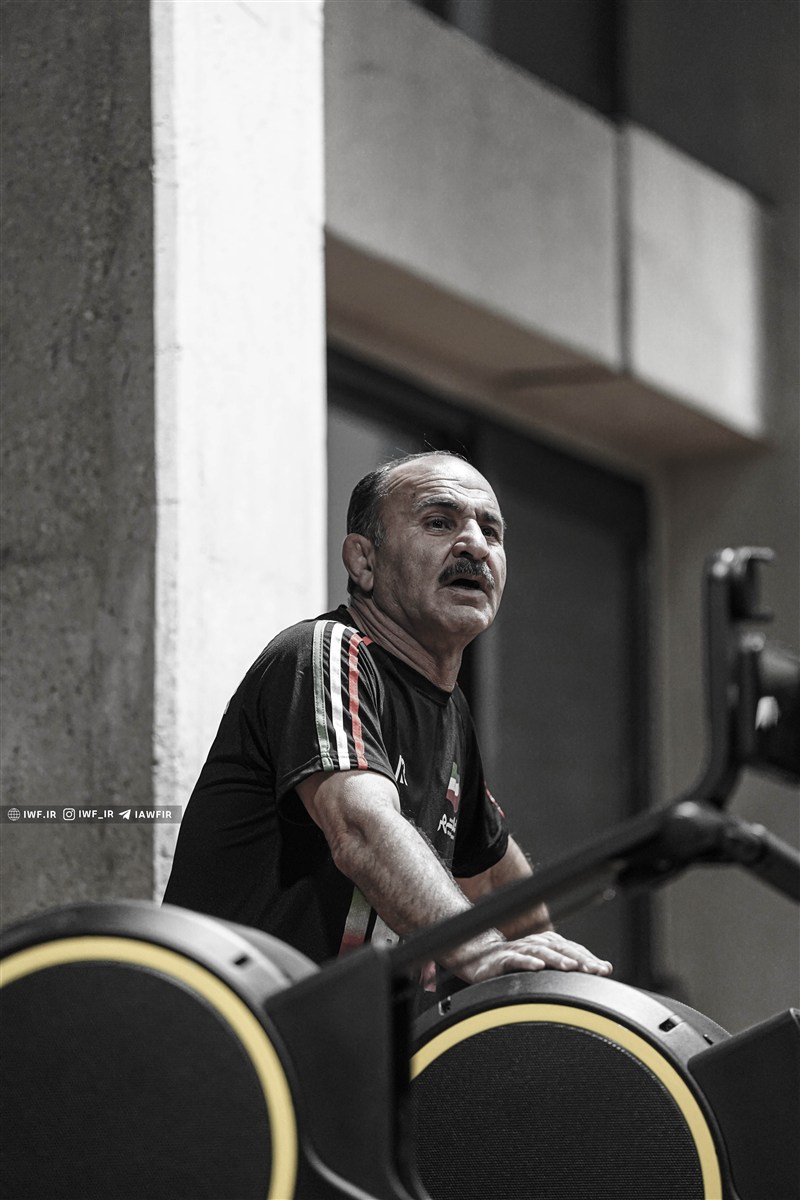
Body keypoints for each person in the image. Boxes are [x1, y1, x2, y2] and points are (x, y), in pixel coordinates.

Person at [163, 451, 612, 991]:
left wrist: (564, 988)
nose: (474, 545)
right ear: (363, 561)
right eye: (439, 522)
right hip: (232, 1022)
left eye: (490, 531)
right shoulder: (328, 653)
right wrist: (484, 952)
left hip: (343, 1033)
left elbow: (494, 876)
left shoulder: (451, 713)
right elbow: (361, 827)